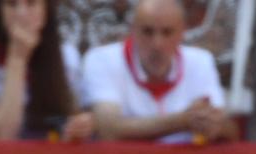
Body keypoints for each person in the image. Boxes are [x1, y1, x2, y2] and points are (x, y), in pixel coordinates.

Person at [82, 0, 235, 145]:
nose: (157, 44)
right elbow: (108, 129)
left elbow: (229, 131)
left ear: (182, 33)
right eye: (147, 32)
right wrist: (182, 121)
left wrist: (213, 124)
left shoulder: (201, 61)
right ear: (132, 30)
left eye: (167, 32)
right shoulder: (102, 59)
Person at [0, 0, 94, 142]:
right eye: (12, 4)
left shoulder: (67, 57)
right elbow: (4, 136)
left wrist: (78, 128)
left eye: (31, 3)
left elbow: (70, 120)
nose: (21, 14)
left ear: (46, 10)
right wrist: (18, 57)